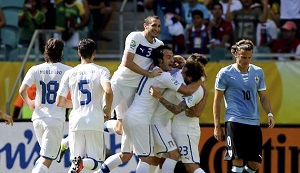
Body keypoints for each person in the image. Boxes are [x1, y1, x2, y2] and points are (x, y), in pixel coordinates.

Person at [122, 45, 202, 173]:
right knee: (149, 159)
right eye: (169, 57)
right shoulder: (162, 75)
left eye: (172, 57)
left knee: (152, 159)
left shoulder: (153, 70)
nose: (172, 61)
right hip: (141, 119)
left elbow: (182, 71)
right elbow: (187, 90)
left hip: (136, 117)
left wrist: (183, 64)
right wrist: (202, 78)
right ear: (159, 60)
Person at [213, 39, 275, 173]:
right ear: (235, 54)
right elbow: (217, 100)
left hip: (253, 122)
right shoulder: (225, 73)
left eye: (249, 58)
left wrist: (269, 113)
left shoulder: (258, 72)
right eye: (243, 57)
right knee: (238, 161)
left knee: (255, 164)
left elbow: (263, 96)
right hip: (234, 121)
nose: (246, 61)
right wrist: (217, 126)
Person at [56, 38, 113, 173]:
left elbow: (59, 101)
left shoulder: (69, 73)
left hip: (75, 120)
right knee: (97, 164)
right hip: (94, 119)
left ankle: (78, 161)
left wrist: (76, 104)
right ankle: (82, 162)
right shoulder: (101, 71)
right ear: (94, 52)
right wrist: (108, 110)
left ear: (78, 53)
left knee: (75, 163)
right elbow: (109, 92)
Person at [19, 38, 71, 173]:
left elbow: (22, 90)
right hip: (54, 119)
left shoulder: (35, 69)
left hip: (38, 119)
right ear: (61, 52)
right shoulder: (68, 71)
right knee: (46, 158)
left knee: (47, 156)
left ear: (45, 51)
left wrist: (29, 102)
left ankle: (62, 147)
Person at [151, 54, 208, 173]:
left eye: (184, 72)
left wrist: (159, 97)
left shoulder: (197, 90)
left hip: (186, 130)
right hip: (177, 128)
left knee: (191, 166)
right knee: (169, 157)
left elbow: (194, 112)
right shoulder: (189, 81)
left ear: (191, 77)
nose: (181, 72)